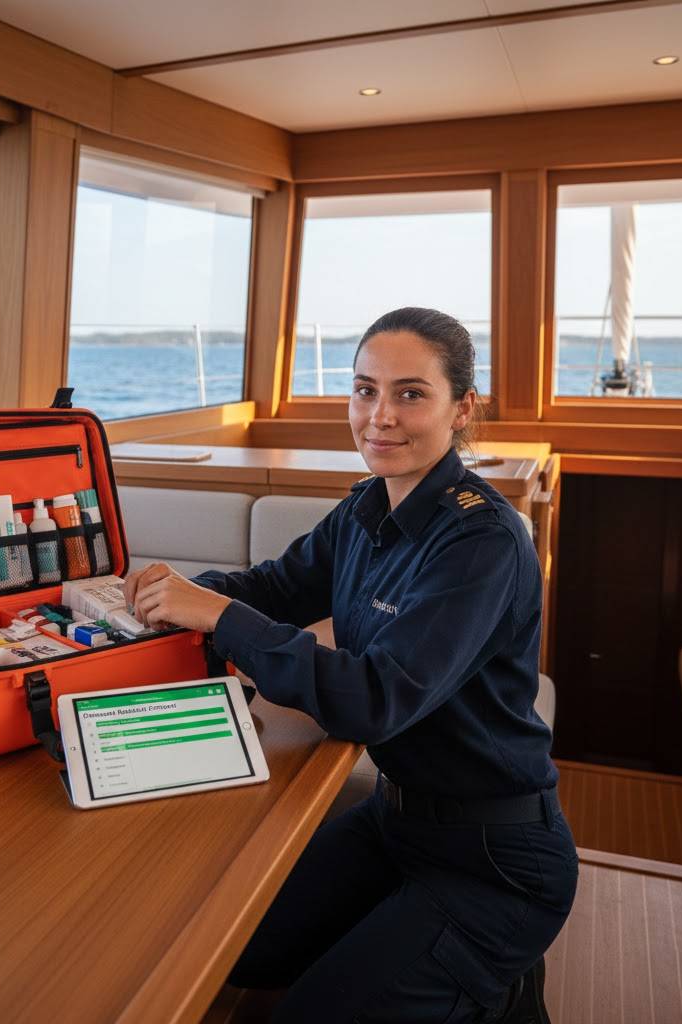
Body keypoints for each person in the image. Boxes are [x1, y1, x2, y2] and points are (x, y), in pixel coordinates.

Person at [123, 307, 578, 1023]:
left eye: (409, 393)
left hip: (494, 859)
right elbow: (271, 588)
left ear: (462, 409)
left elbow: (373, 700)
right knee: (237, 952)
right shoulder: (366, 507)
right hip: (395, 820)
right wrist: (174, 596)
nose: (380, 417)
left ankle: (497, 987)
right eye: (365, 390)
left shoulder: (481, 541)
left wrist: (218, 619)